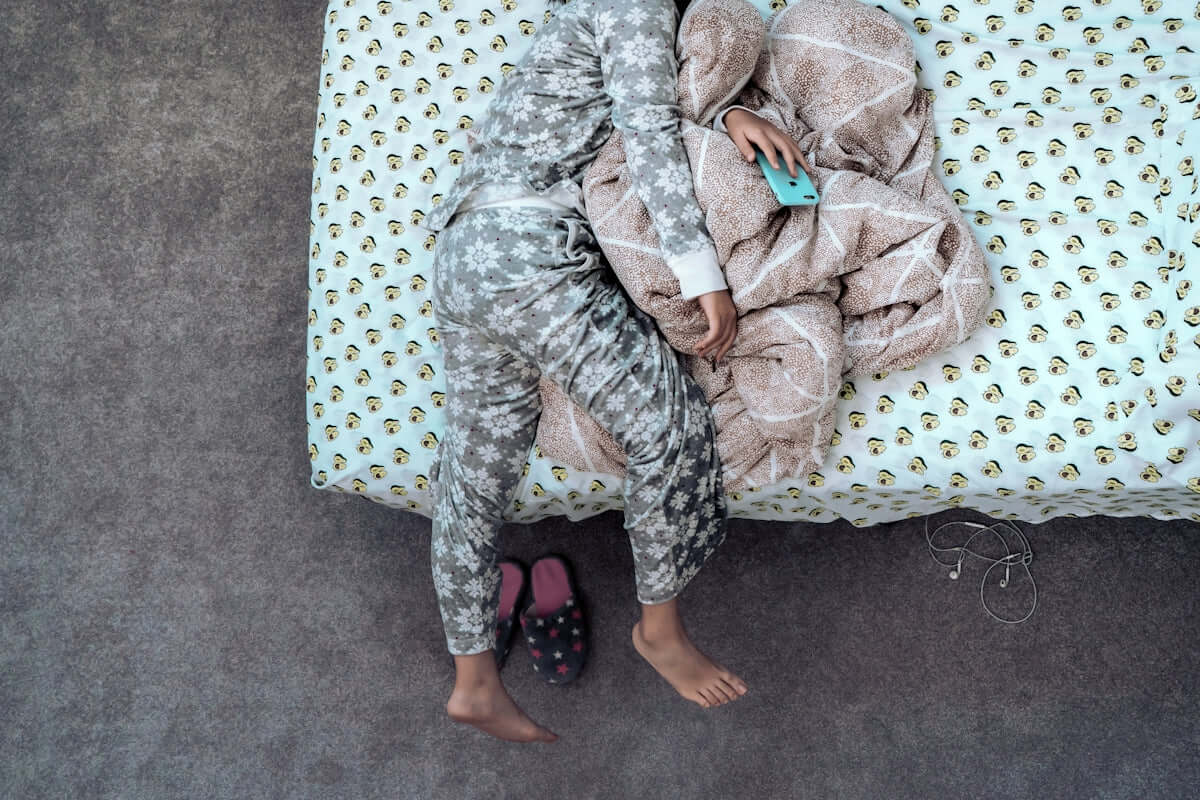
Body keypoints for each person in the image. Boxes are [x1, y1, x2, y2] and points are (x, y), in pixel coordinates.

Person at [420, 0, 809, 743]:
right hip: (528, 253)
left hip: (464, 255)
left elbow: (634, 107)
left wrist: (726, 116)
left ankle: (472, 679)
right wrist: (701, 272)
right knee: (667, 424)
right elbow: (647, 133)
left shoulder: (591, 19)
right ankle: (659, 629)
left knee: (474, 476)